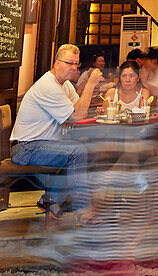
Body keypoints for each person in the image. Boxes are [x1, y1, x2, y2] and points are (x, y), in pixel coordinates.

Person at [10, 43, 103, 222]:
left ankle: (51, 200)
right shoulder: (48, 86)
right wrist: (90, 83)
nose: (74, 68)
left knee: (88, 149)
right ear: (57, 63)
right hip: (26, 148)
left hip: (43, 144)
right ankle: (82, 211)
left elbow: (79, 109)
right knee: (78, 151)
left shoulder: (64, 84)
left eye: (76, 64)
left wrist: (95, 110)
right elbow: (77, 115)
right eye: (69, 63)